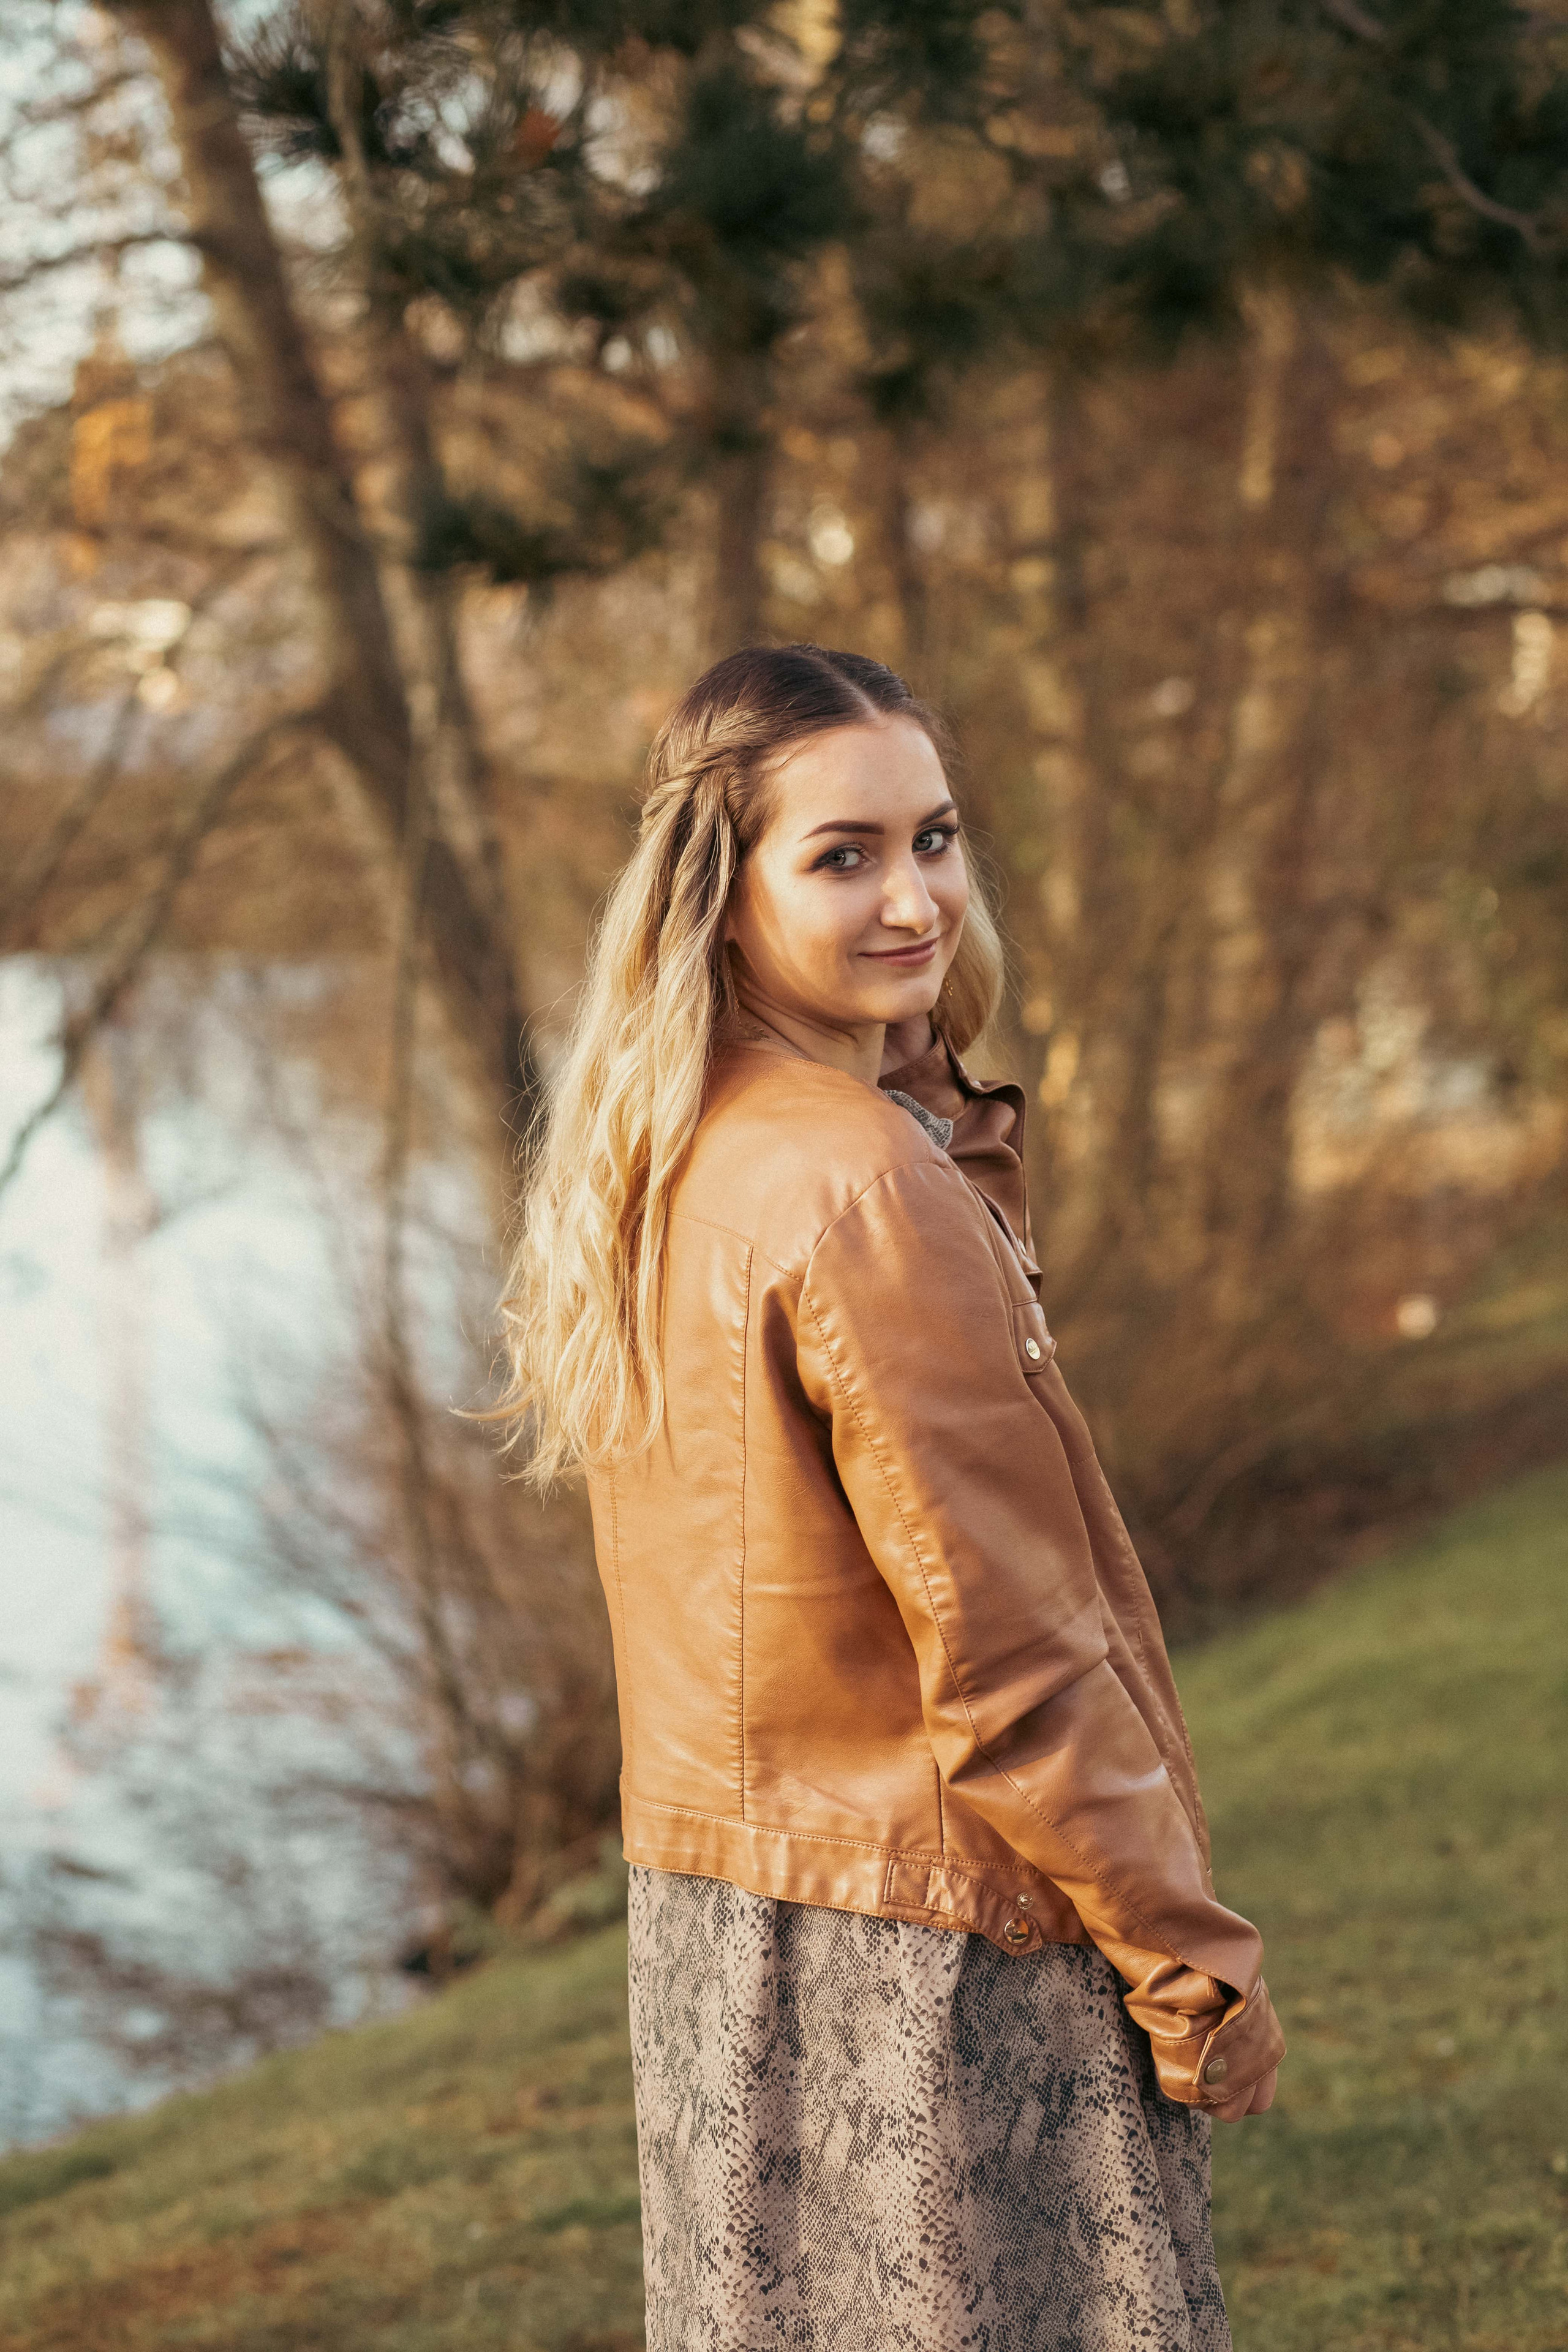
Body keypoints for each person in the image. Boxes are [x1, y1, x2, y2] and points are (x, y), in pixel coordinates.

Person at [497, 643, 1284, 2351]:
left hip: (727, 1939)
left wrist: (933, 1099)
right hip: (935, 1955)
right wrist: (1183, 1956)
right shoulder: (858, 1187)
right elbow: (1013, 1657)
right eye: (840, 855)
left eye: (931, 838)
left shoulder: (672, 1150)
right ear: (722, 889)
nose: (914, 895)